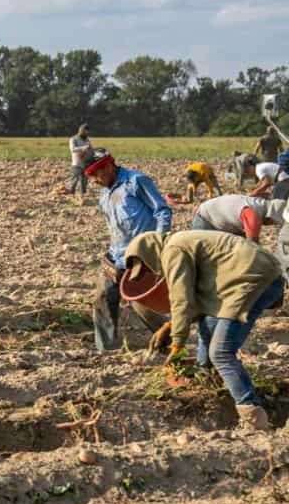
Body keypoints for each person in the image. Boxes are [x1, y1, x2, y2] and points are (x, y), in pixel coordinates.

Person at [126, 231, 283, 429]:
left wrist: (177, 345)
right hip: (250, 276)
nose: (149, 272)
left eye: (145, 268)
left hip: (251, 279)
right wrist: (169, 325)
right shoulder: (180, 243)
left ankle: (252, 414)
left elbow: (181, 300)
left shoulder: (172, 250)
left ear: (149, 253)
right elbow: (198, 303)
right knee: (208, 324)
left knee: (221, 352)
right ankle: (207, 379)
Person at [85, 148, 172, 351]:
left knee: (143, 304)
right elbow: (114, 227)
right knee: (103, 298)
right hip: (117, 256)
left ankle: (169, 342)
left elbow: (162, 210)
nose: (93, 182)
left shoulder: (136, 181)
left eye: (95, 175)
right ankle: (106, 349)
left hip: (141, 256)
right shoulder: (104, 194)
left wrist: (158, 244)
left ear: (107, 167)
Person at [191, 194, 285, 241]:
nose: (272, 224)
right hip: (206, 219)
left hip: (223, 222)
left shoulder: (259, 204)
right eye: (274, 222)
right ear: (271, 216)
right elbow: (252, 244)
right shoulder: (253, 216)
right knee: (203, 257)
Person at [67, 124, 92, 195]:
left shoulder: (87, 139)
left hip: (86, 163)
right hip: (77, 163)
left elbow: (90, 149)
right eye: (85, 132)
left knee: (84, 181)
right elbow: (72, 149)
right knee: (74, 180)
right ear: (81, 131)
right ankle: (71, 193)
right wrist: (83, 148)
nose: (87, 133)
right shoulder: (73, 139)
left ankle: (82, 195)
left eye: (88, 132)